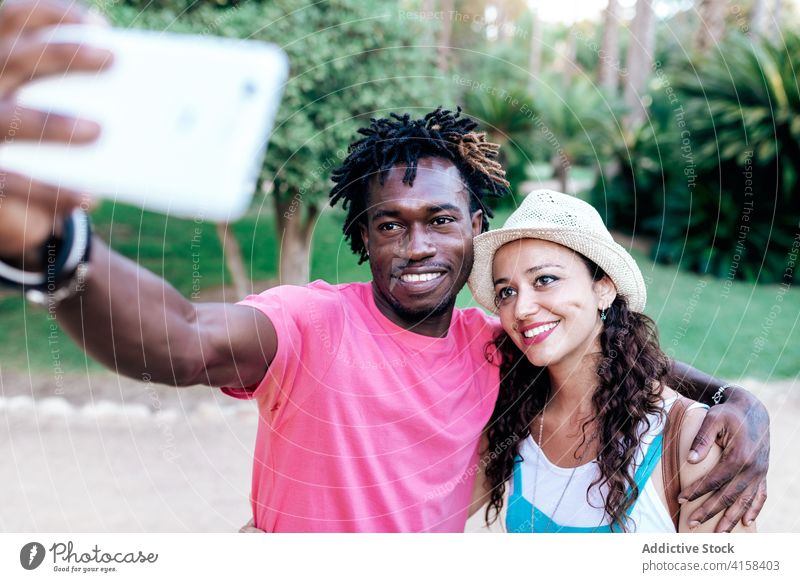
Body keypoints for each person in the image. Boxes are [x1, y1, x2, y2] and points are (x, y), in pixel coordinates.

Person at [0, 0, 769, 532]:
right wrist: (55, 251)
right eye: (388, 226)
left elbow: (617, 352)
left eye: (439, 221)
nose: (416, 246)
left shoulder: (494, 345)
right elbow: (184, 335)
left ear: (474, 227)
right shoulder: (311, 323)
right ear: (362, 240)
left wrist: (744, 405)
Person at [467, 190, 758, 532]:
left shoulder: (690, 442)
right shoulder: (515, 420)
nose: (522, 308)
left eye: (545, 279)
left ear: (604, 287)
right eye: (507, 292)